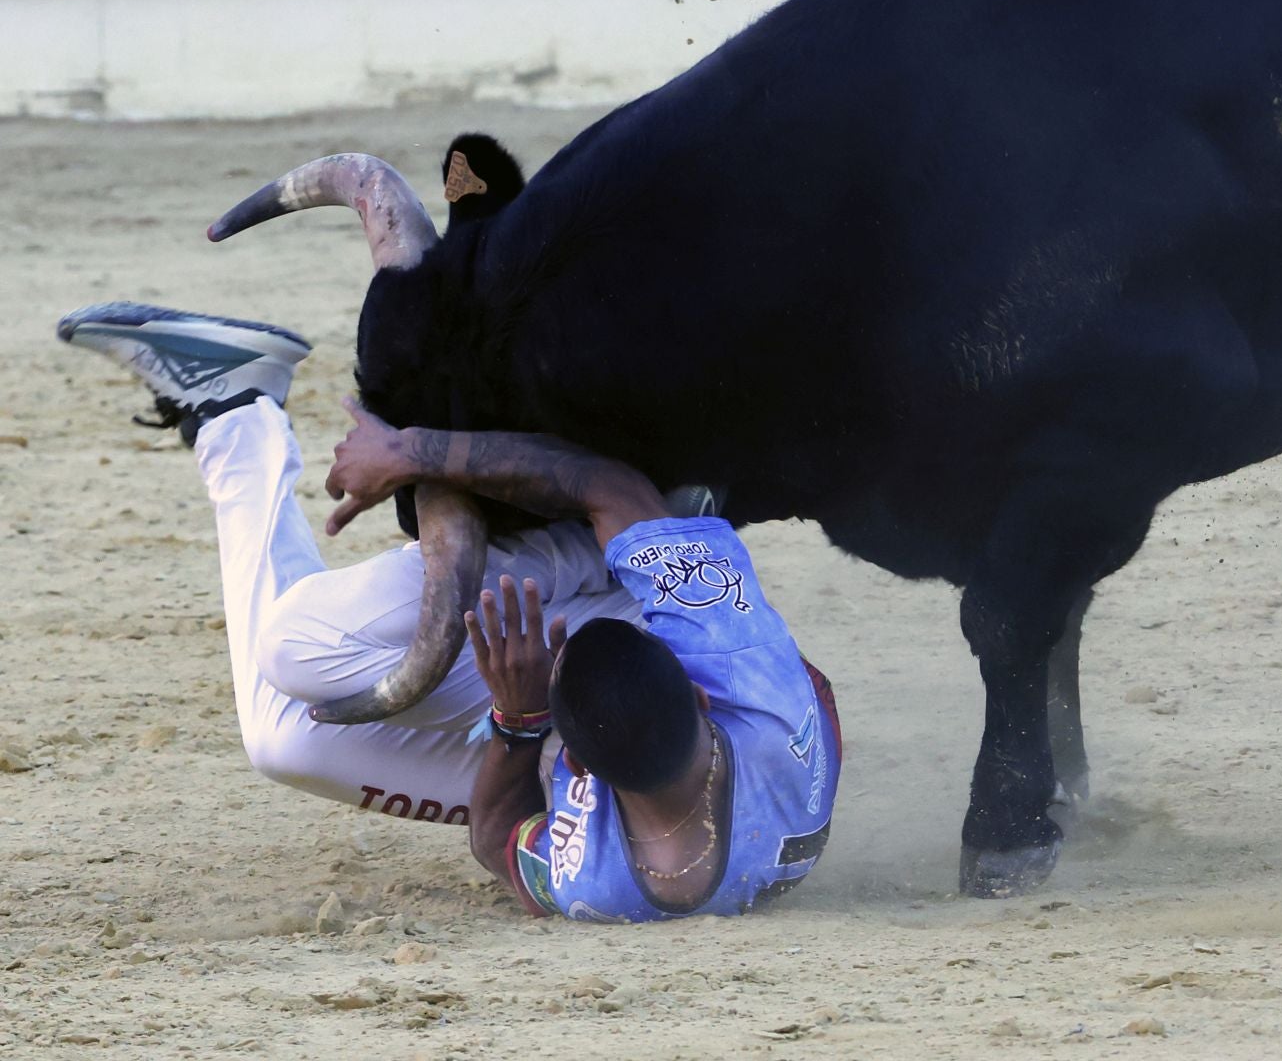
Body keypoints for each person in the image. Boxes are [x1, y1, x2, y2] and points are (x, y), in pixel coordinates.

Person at [58, 302, 839, 920]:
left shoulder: (592, 884)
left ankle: (233, 410)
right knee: (295, 652)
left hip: (579, 721)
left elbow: (496, 833)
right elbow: (613, 489)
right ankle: (605, 541)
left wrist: (517, 720)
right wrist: (418, 454)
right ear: (700, 693)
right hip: (667, 621)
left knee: (284, 731)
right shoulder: (745, 676)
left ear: (583, 770)